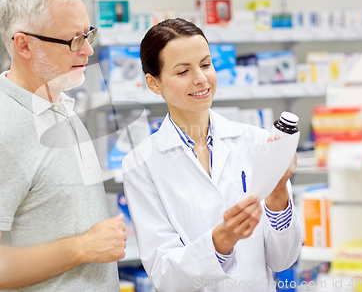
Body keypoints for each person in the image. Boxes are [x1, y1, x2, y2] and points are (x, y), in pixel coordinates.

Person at [0, 0, 126, 292]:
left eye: (88, 34)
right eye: (74, 40)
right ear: (24, 45)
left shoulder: (61, 106)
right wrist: (82, 248)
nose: (88, 49)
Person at [122, 18, 302, 292]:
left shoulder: (256, 141)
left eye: (206, 64)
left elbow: (283, 260)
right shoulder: (141, 164)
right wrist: (222, 240)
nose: (201, 79)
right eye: (183, 71)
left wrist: (278, 194)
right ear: (154, 83)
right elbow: (165, 275)